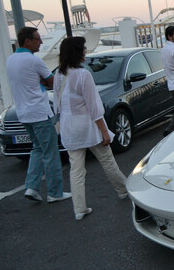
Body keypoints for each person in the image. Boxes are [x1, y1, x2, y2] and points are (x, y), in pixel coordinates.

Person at [53, 37, 128, 220]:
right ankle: (124, 190)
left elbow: (57, 103)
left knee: (76, 170)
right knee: (107, 161)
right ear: (77, 52)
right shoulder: (83, 75)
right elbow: (94, 108)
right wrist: (104, 131)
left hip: (69, 128)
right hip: (87, 126)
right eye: (83, 49)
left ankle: (79, 209)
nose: (86, 51)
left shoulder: (58, 74)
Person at [6, 26, 71, 203]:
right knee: (51, 153)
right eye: (37, 39)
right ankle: (55, 192)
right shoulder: (33, 61)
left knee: (36, 149)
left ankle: (32, 187)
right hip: (39, 113)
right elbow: (52, 82)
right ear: (28, 41)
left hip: (23, 113)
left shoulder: (10, 60)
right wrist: (44, 81)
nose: (41, 42)